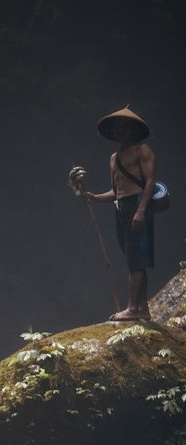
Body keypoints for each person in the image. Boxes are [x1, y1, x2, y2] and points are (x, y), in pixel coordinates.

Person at [83, 106, 156, 321]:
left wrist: (141, 211)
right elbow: (117, 191)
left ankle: (134, 308)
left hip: (137, 204)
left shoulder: (143, 150)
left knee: (137, 259)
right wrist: (96, 198)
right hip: (122, 207)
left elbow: (149, 182)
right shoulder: (114, 158)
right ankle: (142, 307)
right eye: (118, 128)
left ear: (133, 130)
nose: (120, 131)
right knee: (133, 257)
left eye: (125, 127)